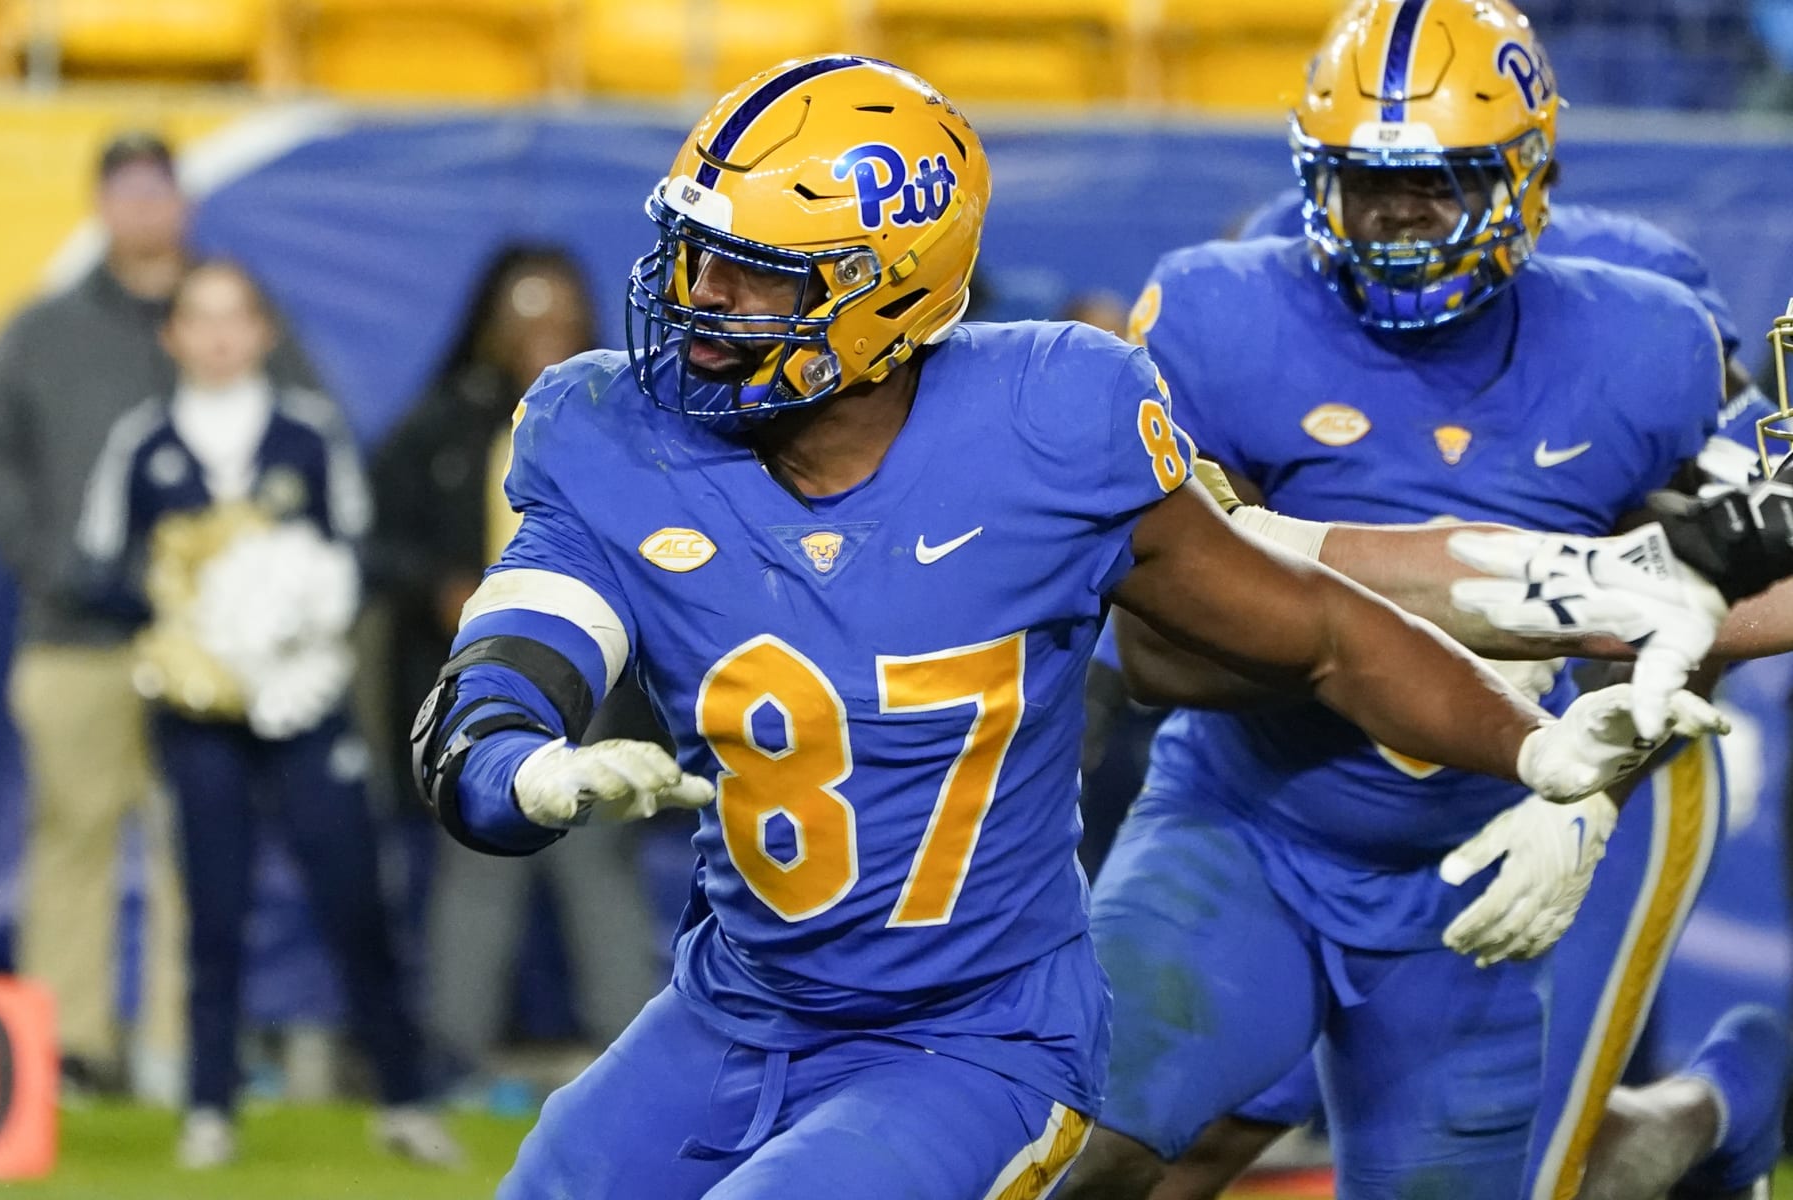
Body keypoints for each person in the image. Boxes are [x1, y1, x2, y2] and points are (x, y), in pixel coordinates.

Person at [407, 55, 1722, 1199]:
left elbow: (1316, 625)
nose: (701, 305)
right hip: (733, 1007)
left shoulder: (1050, 420)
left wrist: (1536, 753)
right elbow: (522, 643)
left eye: (755, 279)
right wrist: (521, 762)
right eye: (694, 256)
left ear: (887, 292)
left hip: (971, 1040)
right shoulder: (610, 429)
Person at [1059, 3, 1786, 1199]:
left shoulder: (1645, 330)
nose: (1394, 219)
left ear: (1527, 179)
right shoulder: (1221, 310)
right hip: (1259, 811)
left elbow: (1742, 567)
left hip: (1522, 830)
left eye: (1436, 186)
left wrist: (1607, 738)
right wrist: (1481, 611)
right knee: (1081, 1150)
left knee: (1555, 1182)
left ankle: (1718, 1107)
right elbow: (1164, 650)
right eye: (1360, 183)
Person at [75, 260, 460, 1169]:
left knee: (354, 897)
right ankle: (211, 1104)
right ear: (171, 335)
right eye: (197, 318)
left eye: (233, 318)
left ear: (261, 332)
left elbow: (357, 555)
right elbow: (98, 569)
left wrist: (303, 605)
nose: (216, 336)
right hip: (199, 713)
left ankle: (403, 1096)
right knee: (211, 906)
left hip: (304, 704)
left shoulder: (307, 433)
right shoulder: (144, 441)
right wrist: (181, 611)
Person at [0, 131, 316, 1096]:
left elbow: (309, 439)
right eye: (125, 192)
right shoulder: (41, 333)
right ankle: (66, 1056)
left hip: (213, 648)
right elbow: (1, 468)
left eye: (157, 191)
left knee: (200, 849)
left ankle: (185, 1050)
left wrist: (251, 586)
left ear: (181, 204)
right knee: (71, 841)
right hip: (75, 635)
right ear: (101, 205)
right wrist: (61, 568)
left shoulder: (235, 317)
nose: (143, 210)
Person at [367, 247, 660, 1093]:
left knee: (600, 868)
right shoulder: (444, 423)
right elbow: (378, 535)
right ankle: (454, 1056)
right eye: (526, 313)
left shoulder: (626, 423)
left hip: (597, 679)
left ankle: (625, 1056)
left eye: (560, 313)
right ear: (491, 326)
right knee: (479, 863)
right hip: (485, 675)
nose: (544, 330)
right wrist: (438, 584)